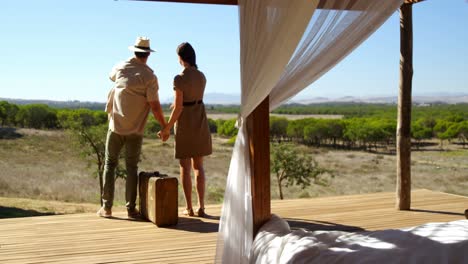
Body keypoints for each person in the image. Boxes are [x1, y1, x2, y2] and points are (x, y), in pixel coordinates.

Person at [97, 37, 167, 219]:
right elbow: (155, 105)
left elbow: (110, 76)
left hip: (115, 126)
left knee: (109, 165)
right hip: (135, 130)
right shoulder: (150, 77)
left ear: (134, 52)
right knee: (131, 168)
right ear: (148, 55)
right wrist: (165, 126)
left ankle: (107, 208)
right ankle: (130, 209)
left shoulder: (120, 67)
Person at [159, 42, 212, 217]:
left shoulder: (179, 78)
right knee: (199, 166)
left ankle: (189, 208)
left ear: (181, 58)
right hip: (199, 118)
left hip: (185, 122)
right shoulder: (202, 76)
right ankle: (202, 207)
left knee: (185, 166)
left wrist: (166, 127)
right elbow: (193, 97)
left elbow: (179, 107)